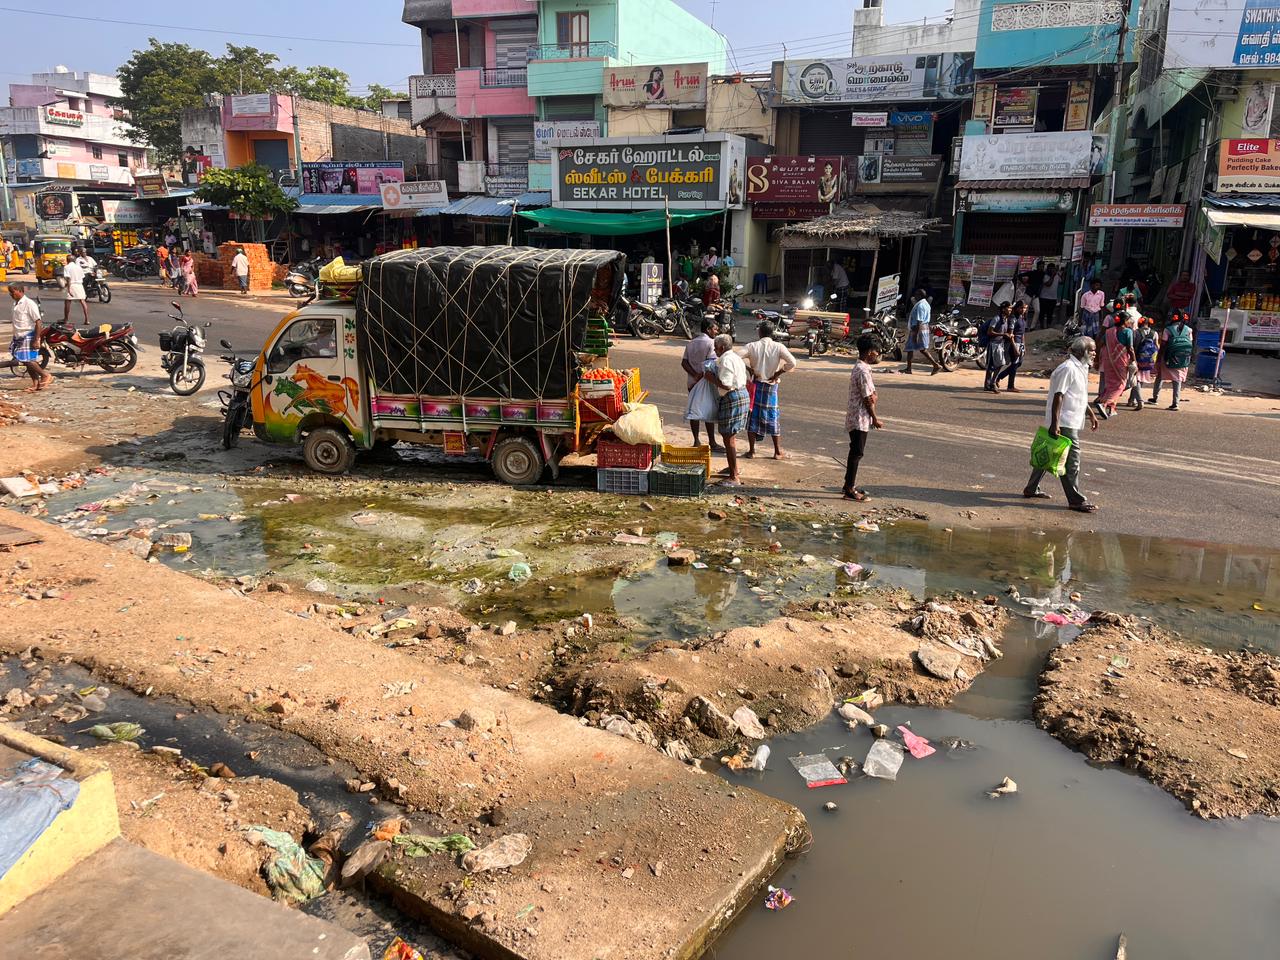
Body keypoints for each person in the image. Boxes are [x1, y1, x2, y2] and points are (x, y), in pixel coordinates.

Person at [1024, 337, 1100, 513]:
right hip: (1064, 422)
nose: (1095, 353)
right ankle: (1075, 499)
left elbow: (1078, 395)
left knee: (1050, 452)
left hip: (1071, 419)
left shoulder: (1081, 368)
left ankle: (1031, 488)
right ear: (1082, 352)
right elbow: (1059, 396)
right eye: (1092, 350)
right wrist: (1055, 424)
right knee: (1071, 462)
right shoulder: (1067, 369)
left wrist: (1091, 415)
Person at [744, 320, 797, 460]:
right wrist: (778, 373)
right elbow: (793, 362)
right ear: (773, 333)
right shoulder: (778, 347)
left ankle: (752, 451)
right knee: (772, 417)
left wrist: (749, 369)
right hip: (771, 386)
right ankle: (777, 452)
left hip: (756, 385)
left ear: (759, 332)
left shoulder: (751, 346)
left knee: (752, 417)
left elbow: (735, 357)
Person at [842, 334, 884, 502]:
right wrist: (875, 418)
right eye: (876, 351)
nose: (877, 355)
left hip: (857, 415)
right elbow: (868, 398)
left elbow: (871, 395)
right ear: (868, 352)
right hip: (860, 417)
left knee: (856, 451)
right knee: (857, 452)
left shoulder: (861, 367)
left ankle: (848, 484)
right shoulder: (862, 370)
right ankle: (849, 489)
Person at [704, 334, 749, 485]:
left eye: (716, 348)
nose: (715, 351)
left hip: (732, 396)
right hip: (741, 394)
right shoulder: (735, 357)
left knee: (728, 437)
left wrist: (711, 378)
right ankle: (732, 467)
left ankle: (734, 476)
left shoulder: (726, 359)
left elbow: (726, 384)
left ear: (721, 348)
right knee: (729, 436)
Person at [682, 317, 721, 452]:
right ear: (708, 329)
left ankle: (696, 440)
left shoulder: (691, 343)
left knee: (695, 410)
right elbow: (711, 364)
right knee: (708, 410)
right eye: (715, 329)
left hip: (692, 382)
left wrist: (694, 374)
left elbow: (684, 363)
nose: (717, 331)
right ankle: (712, 442)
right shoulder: (711, 343)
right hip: (706, 382)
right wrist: (702, 376)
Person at [8, 282, 52, 392]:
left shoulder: (29, 303)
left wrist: (36, 339)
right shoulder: (16, 304)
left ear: (20, 291)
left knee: (28, 360)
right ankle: (35, 384)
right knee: (27, 361)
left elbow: (38, 322)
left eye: (12, 292)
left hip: (29, 335)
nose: (11, 295)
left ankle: (45, 375)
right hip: (19, 336)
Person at [1094, 312, 1134, 419]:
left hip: (1108, 361)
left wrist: (1097, 359)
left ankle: (1111, 409)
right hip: (1121, 362)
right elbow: (1130, 348)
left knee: (1110, 384)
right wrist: (1134, 361)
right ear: (1125, 321)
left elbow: (1100, 344)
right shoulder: (1128, 332)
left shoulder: (1108, 332)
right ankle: (1104, 403)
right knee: (1121, 385)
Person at [1151, 310, 1194, 410]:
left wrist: (1158, 358)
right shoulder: (1189, 330)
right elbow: (1190, 344)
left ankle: (1155, 398)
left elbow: (1163, 345)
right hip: (1183, 358)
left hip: (1168, 358)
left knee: (1160, 376)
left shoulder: (1168, 329)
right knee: (1177, 380)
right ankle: (1175, 403)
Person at [904, 288, 940, 375]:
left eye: (916, 294)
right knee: (910, 349)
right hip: (922, 328)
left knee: (922, 349)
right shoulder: (926, 304)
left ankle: (936, 365)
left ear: (920, 295)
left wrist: (916, 334)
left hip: (918, 328)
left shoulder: (920, 306)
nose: (915, 296)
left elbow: (919, 320)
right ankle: (908, 368)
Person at [998, 300, 1028, 392]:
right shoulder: (1013, 318)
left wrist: (1024, 345)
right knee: (1015, 364)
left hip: (1020, 343)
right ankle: (1010, 386)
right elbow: (1011, 335)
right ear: (1017, 308)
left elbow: (1022, 333)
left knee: (1019, 363)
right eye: (1021, 308)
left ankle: (1000, 376)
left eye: (1025, 308)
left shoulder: (1022, 318)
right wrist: (1015, 347)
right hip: (1013, 343)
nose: (1023, 310)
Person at [1131, 318, 1159, 409]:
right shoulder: (1154, 333)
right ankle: (1131, 400)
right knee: (1140, 379)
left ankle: (1139, 400)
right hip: (1149, 361)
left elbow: (1132, 346)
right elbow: (1157, 346)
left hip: (1137, 359)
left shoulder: (1135, 332)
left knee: (1136, 379)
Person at [984, 302, 1012, 392]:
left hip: (1000, 344)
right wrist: (1003, 334)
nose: (1010, 310)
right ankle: (988, 384)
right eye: (1009, 308)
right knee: (991, 365)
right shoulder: (996, 318)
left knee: (1000, 363)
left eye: (1011, 308)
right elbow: (989, 332)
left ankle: (992, 382)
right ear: (1003, 309)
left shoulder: (1006, 319)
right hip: (993, 344)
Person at [61, 250, 88, 325]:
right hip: (79, 285)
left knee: (68, 301)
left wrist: (68, 289)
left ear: (67, 260)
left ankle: (66, 319)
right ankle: (87, 319)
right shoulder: (78, 267)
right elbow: (82, 277)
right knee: (82, 301)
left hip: (72, 285)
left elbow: (68, 279)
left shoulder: (67, 267)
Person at [1038, 262, 1060, 328]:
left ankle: (1048, 325)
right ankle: (1041, 324)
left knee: (1050, 313)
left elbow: (1061, 281)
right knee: (1042, 312)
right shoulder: (1045, 276)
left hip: (1053, 298)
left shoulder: (1057, 276)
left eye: (1053, 269)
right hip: (1044, 297)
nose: (1051, 270)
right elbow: (1048, 284)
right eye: (1050, 269)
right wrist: (1053, 276)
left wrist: (1063, 272)